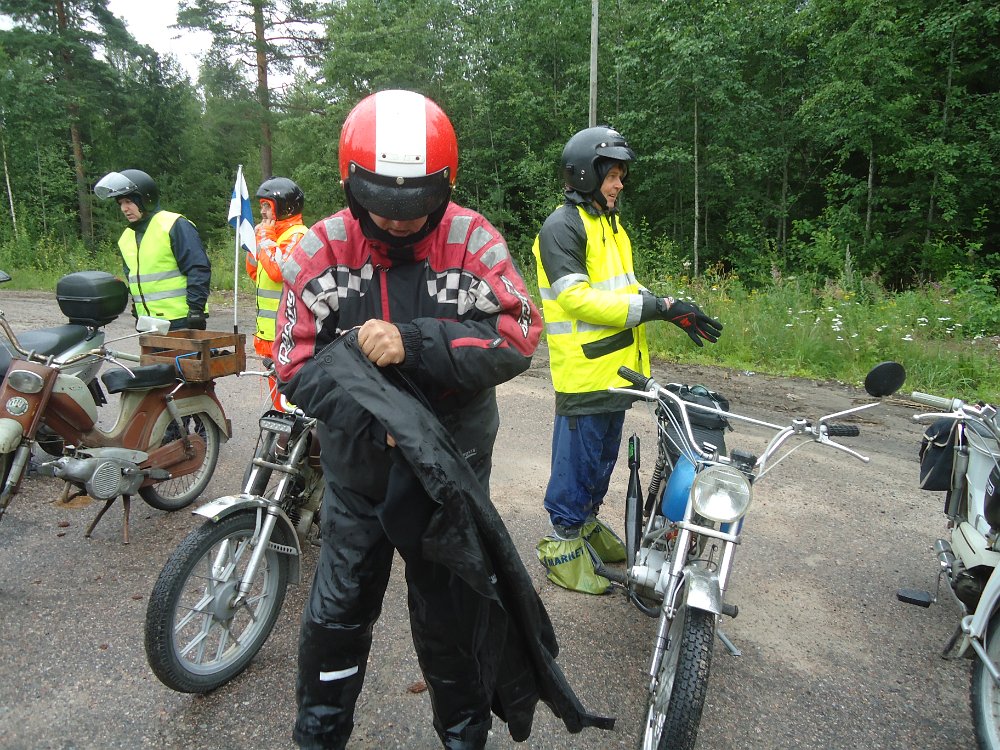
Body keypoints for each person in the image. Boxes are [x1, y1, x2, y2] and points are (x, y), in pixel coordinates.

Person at [273, 90, 582, 749]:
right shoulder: (321, 249)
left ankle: (464, 738)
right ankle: (318, 737)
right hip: (359, 474)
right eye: (381, 206)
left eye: (416, 205)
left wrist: (414, 342)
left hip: (450, 475)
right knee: (337, 614)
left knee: (452, 620)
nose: (398, 220)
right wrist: (380, 418)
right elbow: (294, 366)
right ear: (350, 186)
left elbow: (517, 336)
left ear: (445, 187)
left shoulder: (471, 240)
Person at [532, 125, 724, 595]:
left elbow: (626, 287)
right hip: (584, 372)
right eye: (612, 175)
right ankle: (563, 541)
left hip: (618, 372)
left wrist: (670, 307)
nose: (620, 185)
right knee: (577, 463)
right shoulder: (562, 227)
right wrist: (657, 309)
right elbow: (577, 299)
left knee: (603, 459)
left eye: (621, 176)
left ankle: (587, 521)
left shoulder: (610, 226)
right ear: (585, 174)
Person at [94, 169, 211, 331]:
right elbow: (134, 279)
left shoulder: (173, 224)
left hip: (180, 320)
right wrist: (137, 308)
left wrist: (196, 309)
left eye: (129, 201)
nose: (124, 208)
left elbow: (198, 268)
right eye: (120, 203)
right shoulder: (126, 237)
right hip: (148, 321)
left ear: (145, 199)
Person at [248, 176, 307, 407]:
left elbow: (277, 271)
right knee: (278, 403)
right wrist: (256, 243)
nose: (262, 211)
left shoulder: (298, 235)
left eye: (267, 205)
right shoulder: (273, 235)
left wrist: (264, 238)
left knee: (290, 404)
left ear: (284, 207)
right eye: (261, 206)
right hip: (269, 333)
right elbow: (255, 272)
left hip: (287, 333)